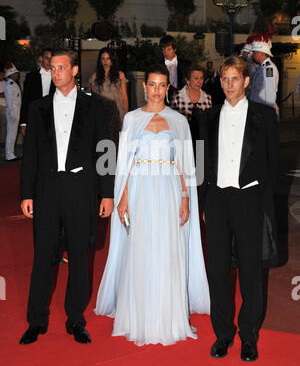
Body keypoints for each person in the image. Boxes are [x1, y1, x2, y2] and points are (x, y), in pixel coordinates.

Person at [94, 64, 210, 346]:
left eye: (162, 85)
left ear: (167, 88)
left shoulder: (179, 120)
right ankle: (140, 313)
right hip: (140, 189)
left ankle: (168, 313)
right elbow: (125, 163)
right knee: (141, 248)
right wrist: (122, 198)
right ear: (144, 87)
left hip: (170, 189)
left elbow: (185, 163)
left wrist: (185, 197)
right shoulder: (132, 119)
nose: (157, 90)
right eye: (152, 85)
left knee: (168, 249)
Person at [19, 49, 114, 345]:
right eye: (53, 68)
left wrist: (107, 194)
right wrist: (27, 193)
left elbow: (106, 151)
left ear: (75, 71)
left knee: (80, 256)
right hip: (47, 190)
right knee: (43, 256)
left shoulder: (96, 106)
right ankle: (36, 320)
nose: (55, 72)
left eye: (61, 67)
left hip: (81, 189)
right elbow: (30, 154)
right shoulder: (38, 108)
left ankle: (75, 319)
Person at [192, 56, 279, 362]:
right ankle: (223, 334)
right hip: (216, 202)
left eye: (234, 79)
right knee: (218, 272)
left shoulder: (265, 117)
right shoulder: (208, 116)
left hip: (249, 201)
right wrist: (203, 201)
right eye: (224, 79)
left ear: (245, 81)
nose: (229, 85)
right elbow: (201, 164)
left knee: (251, 272)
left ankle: (249, 336)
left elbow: (272, 166)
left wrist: (265, 207)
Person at [20, 48, 55, 136]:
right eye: (47, 58)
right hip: (35, 117)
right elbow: (26, 100)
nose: (49, 61)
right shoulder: (31, 77)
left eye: (51, 58)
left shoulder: (58, 76)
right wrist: (23, 123)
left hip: (53, 118)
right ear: (42, 58)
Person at [89, 47, 128, 124]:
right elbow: (94, 99)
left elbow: (124, 96)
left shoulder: (120, 75)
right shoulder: (94, 77)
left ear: (112, 60)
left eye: (108, 58)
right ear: (100, 61)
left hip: (117, 112)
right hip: (101, 113)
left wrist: (126, 115)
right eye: (103, 58)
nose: (105, 61)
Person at [248, 32, 279, 114]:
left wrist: (266, 114)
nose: (252, 54)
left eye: (254, 52)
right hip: (259, 109)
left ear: (261, 53)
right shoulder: (263, 67)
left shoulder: (269, 69)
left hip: (264, 111)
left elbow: (269, 93)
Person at [159, 34, 190, 103]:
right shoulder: (158, 65)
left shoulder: (186, 65)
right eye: (163, 50)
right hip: (164, 101)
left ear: (175, 49)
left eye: (168, 49)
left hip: (183, 100)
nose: (165, 53)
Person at [4, 62, 22, 162]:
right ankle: (9, 154)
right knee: (11, 133)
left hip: (15, 109)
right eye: (15, 73)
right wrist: (11, 113)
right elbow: (9, 100)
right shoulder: (9, 85)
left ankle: (11, 153)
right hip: (13, 110)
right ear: (10, 74)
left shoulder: (13, 84)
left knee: (13, 133)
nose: (17, 74)